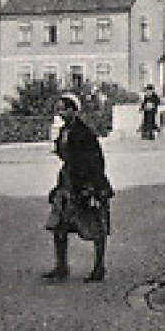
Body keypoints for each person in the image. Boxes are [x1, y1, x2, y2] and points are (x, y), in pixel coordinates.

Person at [43, 93, 115, 282]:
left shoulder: (84, 133)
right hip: (68, 182)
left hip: (86, 183)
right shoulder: (63, 131)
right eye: (59, 108)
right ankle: (61, 267)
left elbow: (96, 161)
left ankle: (99, 267)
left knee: (96, 227)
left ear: (73, 110)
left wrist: (91, 187)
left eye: (64, 108)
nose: (60, 112)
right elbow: (64, 156)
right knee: (59, 226)